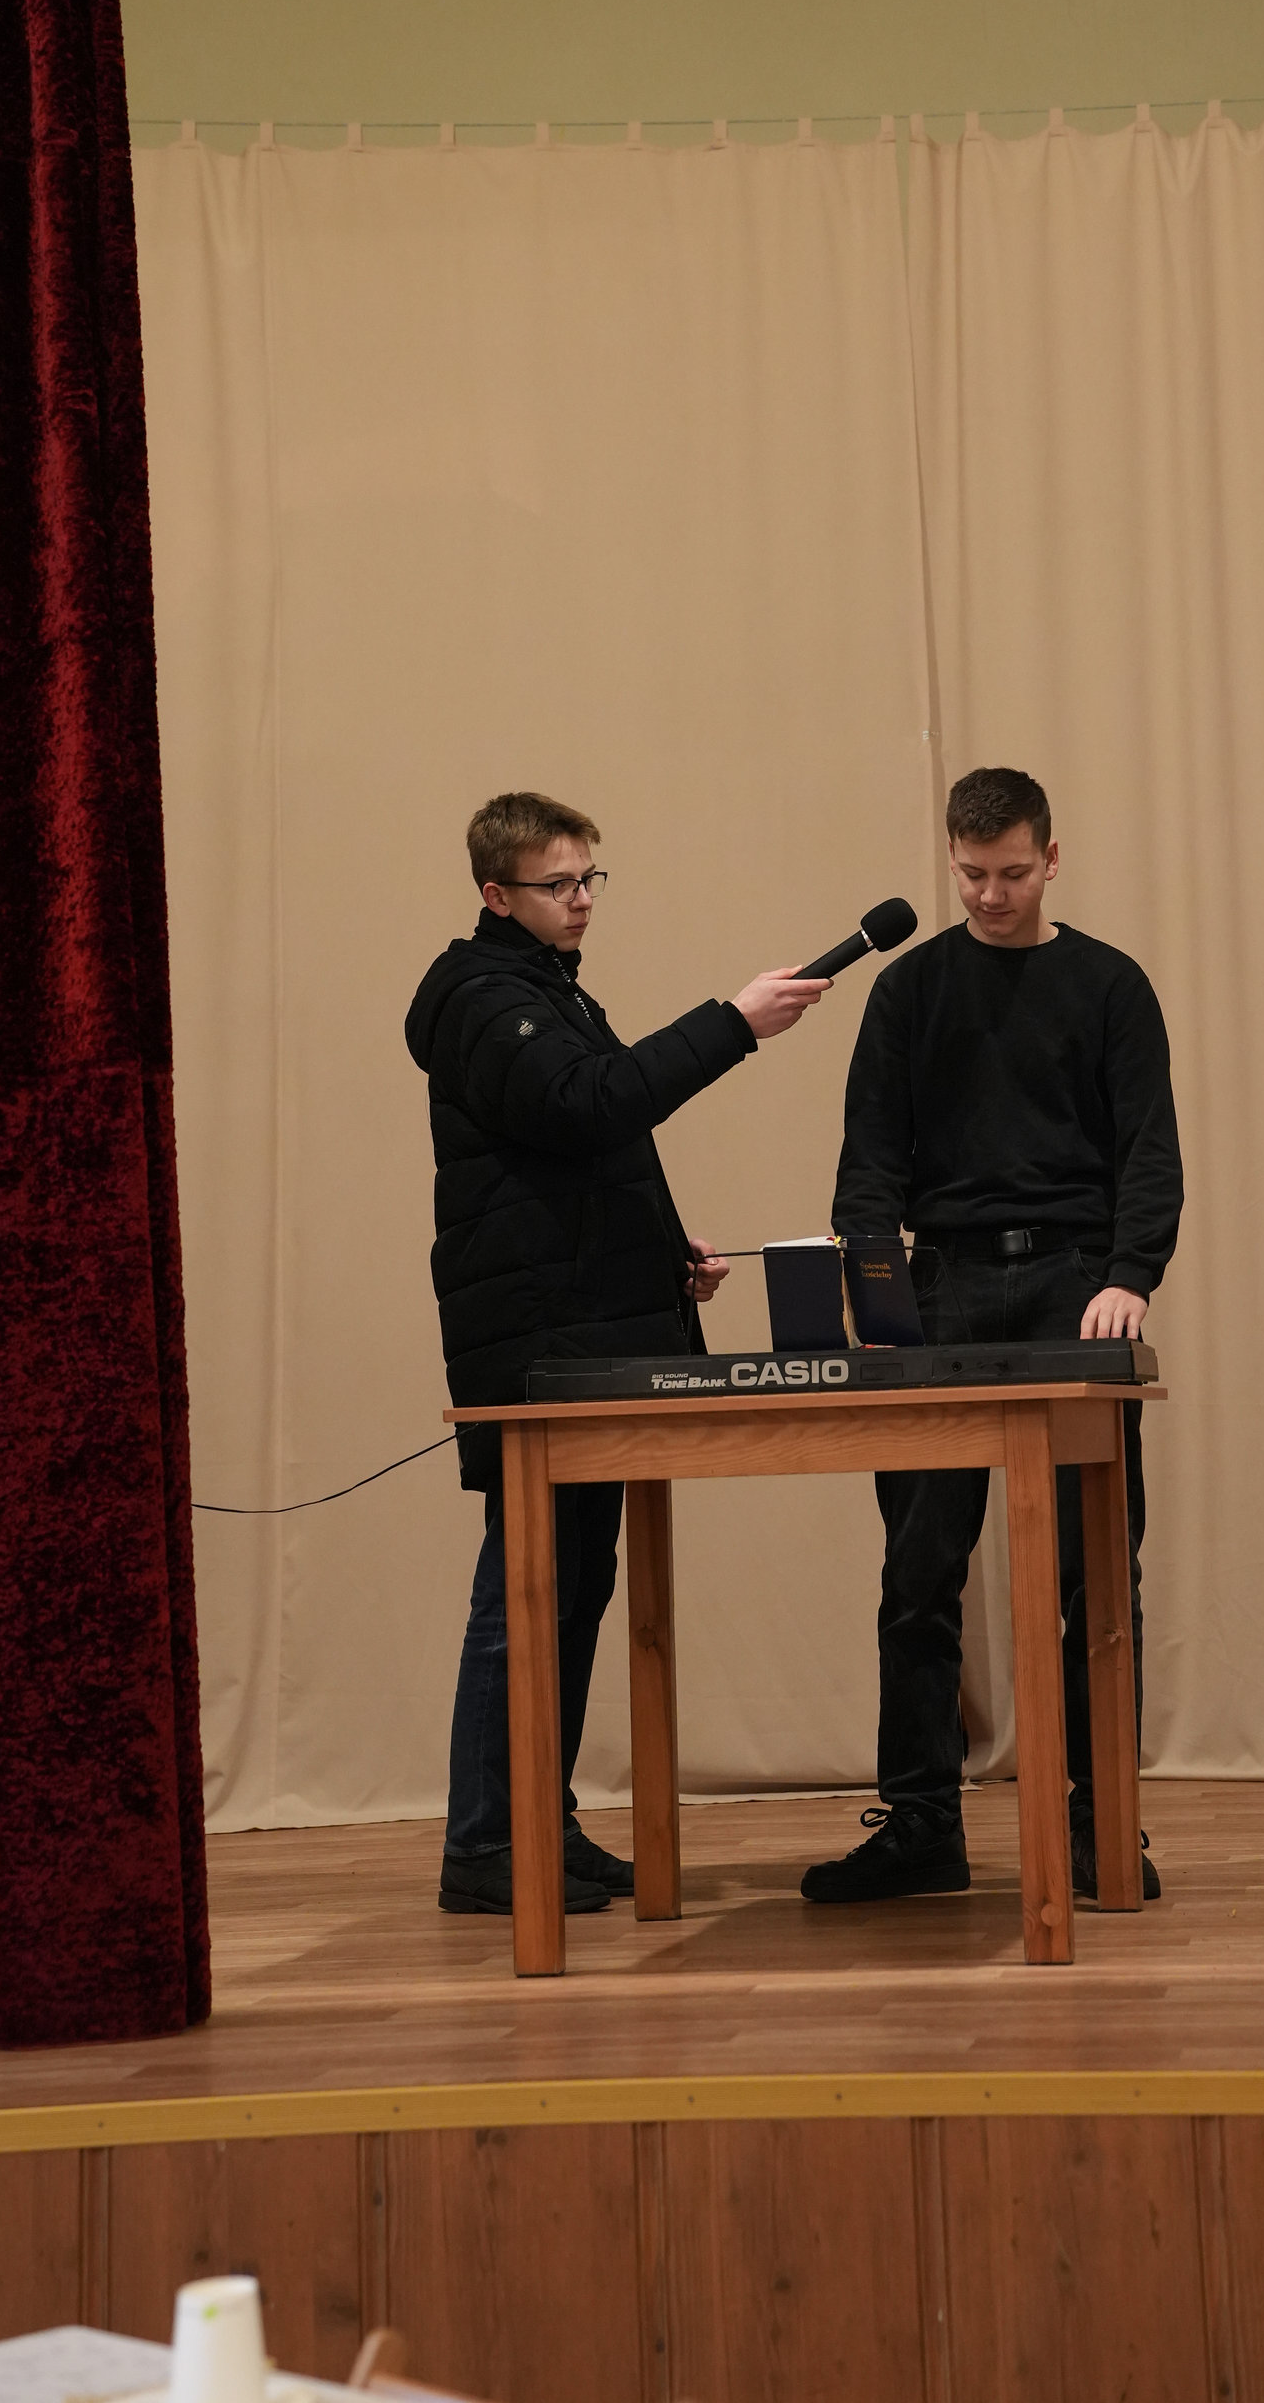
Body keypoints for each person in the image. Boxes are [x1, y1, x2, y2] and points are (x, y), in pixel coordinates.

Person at [406, 789, 828, 1916]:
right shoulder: (484, 998)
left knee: (571, 1590)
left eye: (590, 877)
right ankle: (487, 1847)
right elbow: (591, 1105)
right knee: (527, 1595)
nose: (582, 899)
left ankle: (534, 1824)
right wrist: (733, 1023)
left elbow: (577, 1167)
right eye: (558, 884)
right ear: (497, 894)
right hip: (541, 1350)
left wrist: (661, 1258)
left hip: (580, 1331)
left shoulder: (545, 989)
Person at [806, 765, 1182, 1907]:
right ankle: (922, 1823)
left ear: (1050, 860)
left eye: (1012, 873)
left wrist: (1130, 1276)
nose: (989, 895)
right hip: (944, 1284)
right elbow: (869, 1163)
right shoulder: (908, 991)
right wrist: (878, 1296)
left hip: (1073, 1283)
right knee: (918, 1572)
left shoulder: (1110, 985)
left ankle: (1099, 1822)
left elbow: (1148, 1152)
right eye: (970, 874)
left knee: (1092, 1570)